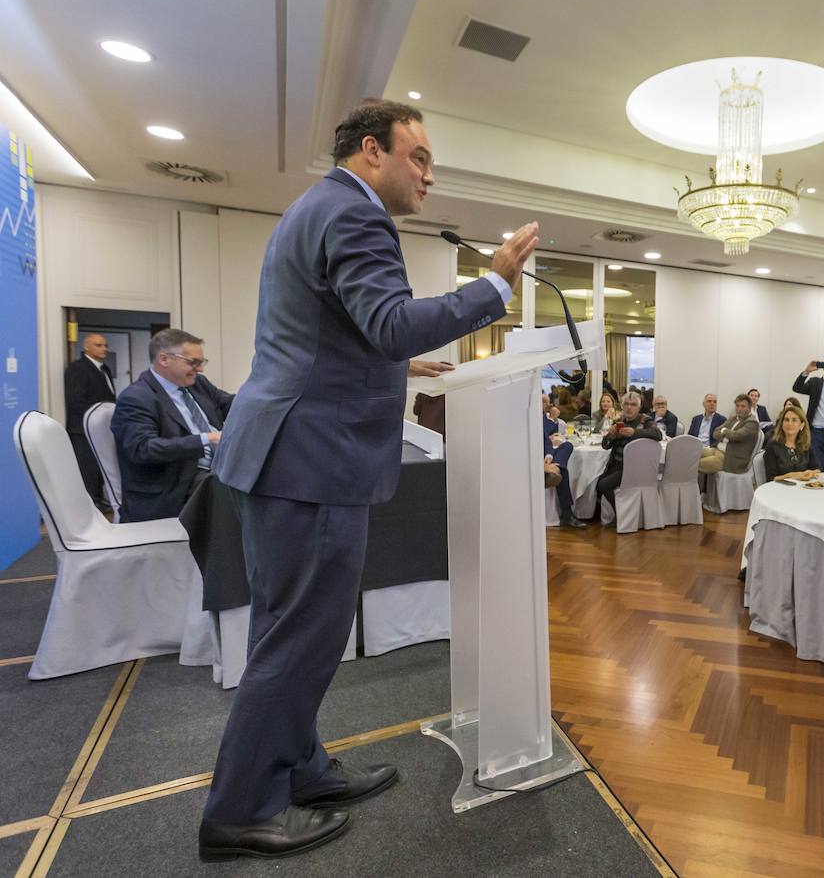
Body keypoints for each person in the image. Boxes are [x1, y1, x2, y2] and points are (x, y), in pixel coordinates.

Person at [201, 99, 537, 861]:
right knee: (297, 639)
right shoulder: (356, 217)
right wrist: (493, 288)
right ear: (369, 151)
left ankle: (297, 766)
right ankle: (240, 810)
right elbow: (386, 321)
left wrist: (398, 363)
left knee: (298, 634)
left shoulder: (319, 208)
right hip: (309, 460)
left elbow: (339, 333)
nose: (427, 174)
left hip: (291, 452)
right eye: (417, 156)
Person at [111, 329, 235, 523]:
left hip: (213, 470)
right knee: (238, 491)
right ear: (164, 359)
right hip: (174, 486)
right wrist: (206, 439)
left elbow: (232, 405)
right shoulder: (136, 397)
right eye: (193, 362)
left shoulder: (197, 384)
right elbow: (143, 449)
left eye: (201, 362)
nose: (200, 369)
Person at [63, 332, 118, 507]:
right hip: (83, 428)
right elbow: (76, 400)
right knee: (88, 467)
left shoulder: (105, 369)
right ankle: (90, 504)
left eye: (105, 345)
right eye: (98, 345)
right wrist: (98, 415)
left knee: (102, 465)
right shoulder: (77, 368)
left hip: (103, 428)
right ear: (86, 347)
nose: (104, 349)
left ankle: (99, 500)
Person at [594, 392, 663, 520]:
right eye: (626, 404)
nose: (629, 407)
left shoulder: (645, 420)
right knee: (596, 484)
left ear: (639, 407)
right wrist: (611, 435)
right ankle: (614, 515)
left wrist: (635, 432)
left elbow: (657, 434)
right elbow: (605, 445)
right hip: (616, 466)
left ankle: (622, 516)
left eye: (633, 405)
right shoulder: (620, 421)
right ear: (622, 406)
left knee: (604, 485)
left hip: (634, 468)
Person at [543, 405, 584, 529]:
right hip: (534, 454)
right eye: (543, 402)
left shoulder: (541, 414)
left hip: (546, 454)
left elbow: (545, 438)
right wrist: (553, 418)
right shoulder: (530, 414)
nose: (545, 404)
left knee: (567, 446)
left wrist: (549, 455)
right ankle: (567, 513)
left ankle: (555, 469)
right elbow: (545, 431)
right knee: (563, 473)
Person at [699, 394, 760, 476]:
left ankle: (688, 487)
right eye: (737, 406)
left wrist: (724, 431)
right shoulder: (733, 418)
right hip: (717, 450)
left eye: (743, 406)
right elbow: (715, 433)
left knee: (695, 464)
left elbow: (736, 436)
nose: (739, 409)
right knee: (693, 452)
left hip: (731, 458)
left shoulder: (752, 423)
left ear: (749, 407)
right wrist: (727, 433)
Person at [763, 404, 820, 482]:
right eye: (786, 420)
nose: (789, 423)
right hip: (779, 490)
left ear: (802, 425)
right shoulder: (772, 446)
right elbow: (771, 478)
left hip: (803, 489)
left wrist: (811, 473)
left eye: (794, 420)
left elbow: (817, 469)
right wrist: (790, 476)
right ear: (782, 424)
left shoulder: (806, 445)